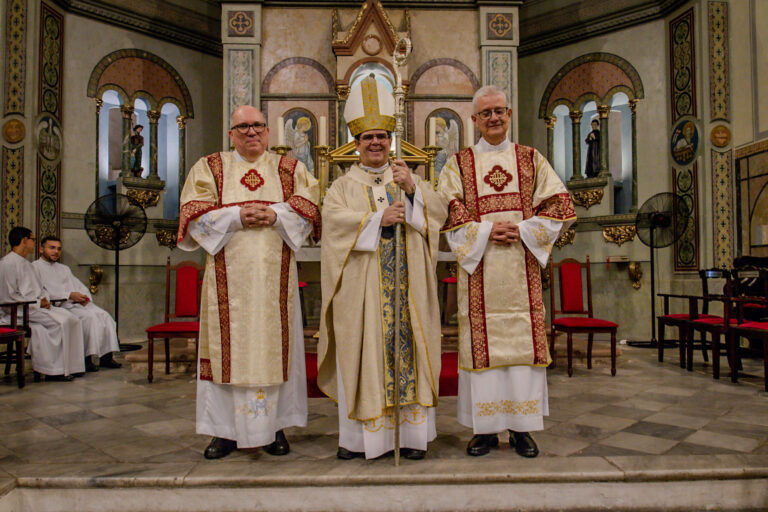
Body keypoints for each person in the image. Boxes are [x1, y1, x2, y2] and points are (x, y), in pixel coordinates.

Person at [437, 85, 576, 458]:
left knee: (522, 349)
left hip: (520, 270)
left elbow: (559, 203)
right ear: (474, 120)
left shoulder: (531, 159)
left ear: (509, 114)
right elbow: (447, 206)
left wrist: (525, 229)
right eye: (486, 113)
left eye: (499, 111)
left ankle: (522, 428)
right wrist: (485, 230)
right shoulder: (459, 164)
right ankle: (485, 430)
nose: (494, 118)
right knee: (483, 352)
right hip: (479, 270)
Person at [177, 105, 320, 460]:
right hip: (228, 284)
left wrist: (277, 213)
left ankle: (274, 428)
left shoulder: (290, 169)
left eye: (257, 125)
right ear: (231, 134)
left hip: (276, 282)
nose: (251, 132)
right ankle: (223, 432)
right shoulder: (209, 167)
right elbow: (191, 212)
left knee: (274, 349)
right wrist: (236, 216)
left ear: (268, 132)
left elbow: (311, 206)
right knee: (229, 352)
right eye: (243, 127)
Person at [317, 75, 447, 460]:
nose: (376, 142)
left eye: (382, 137)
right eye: (368, 137)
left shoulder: (409, 178)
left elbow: (438, 218)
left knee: (409, 352)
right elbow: (333, 225)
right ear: (355, 144)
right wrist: (376, 221)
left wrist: (411, 192)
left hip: (409, 290)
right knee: (365, 353)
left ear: (391, 141)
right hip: (363, 294)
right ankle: (361, 441)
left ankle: (411, 438)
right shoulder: (342, 185)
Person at [0, 227, 85, 380]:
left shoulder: (26, 264)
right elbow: (9, 296)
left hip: (35, 307)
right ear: (24, 240)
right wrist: (38, 302)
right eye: (32, 239)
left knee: (73, 319)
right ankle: (54, 371)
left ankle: (72, 366)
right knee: (61, 322)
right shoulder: (7, 263)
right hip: (19, 311)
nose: (34, 242)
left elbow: (40, 288)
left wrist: (44, 298)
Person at [32, 236, 121, 372]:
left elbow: (78, 285)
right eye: (52, 248)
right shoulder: (35, 268)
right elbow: (42, 292)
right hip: (58, 306)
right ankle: (86, 359)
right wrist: (68, 295)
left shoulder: (64, 268)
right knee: (87, 318)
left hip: (73, 303)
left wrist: (84, 297)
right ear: (41, 249)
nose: (56, 251)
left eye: (59, 249)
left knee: (104, 316)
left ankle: (106, 357)